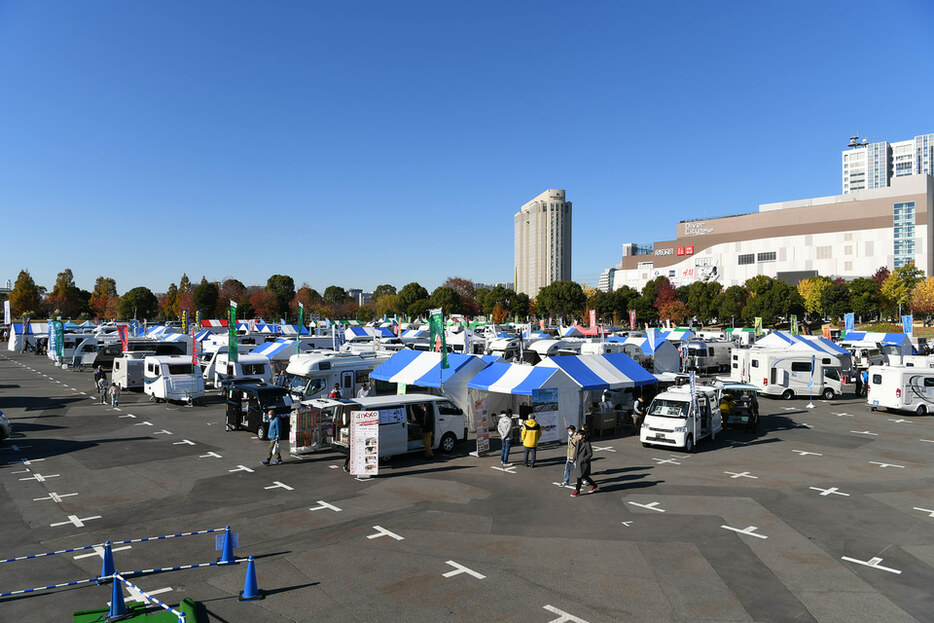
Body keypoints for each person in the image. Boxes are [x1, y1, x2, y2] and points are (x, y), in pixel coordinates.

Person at [570, 429, 597, 497]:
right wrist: (573, 459)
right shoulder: (578, 442)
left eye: (579, 435)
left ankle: (577, 490)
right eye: (578, 434)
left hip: (584, 464)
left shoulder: (587, 443)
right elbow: (576, 452)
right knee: (584, 476)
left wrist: (584, 459)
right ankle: (594, 485)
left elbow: (590, 454)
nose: (578, 436)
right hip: (579, 463)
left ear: (583, 436)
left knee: (580, 477)